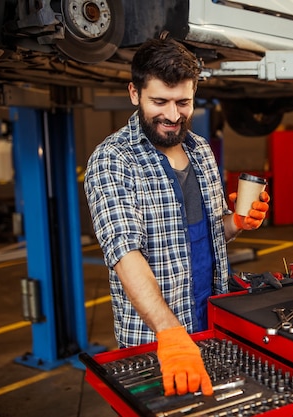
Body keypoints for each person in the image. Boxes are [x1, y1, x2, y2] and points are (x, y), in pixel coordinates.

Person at [84, 37, 269, 397]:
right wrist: (169, 333)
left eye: (183, 102)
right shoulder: (113, 161)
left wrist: (238, 223)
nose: (172, 115)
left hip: (213, 326)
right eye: (159, 102)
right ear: (134, 94)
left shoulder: (200, 150)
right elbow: (125, 255)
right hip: (156, 341)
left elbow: (212, 234)